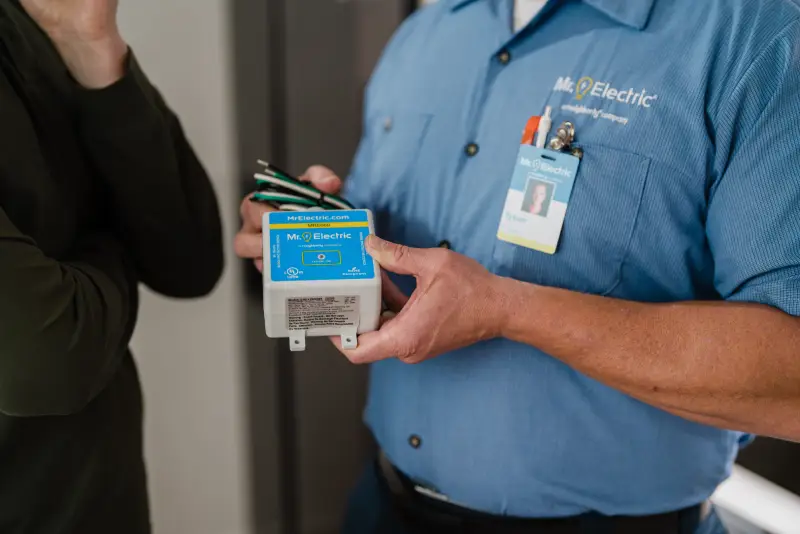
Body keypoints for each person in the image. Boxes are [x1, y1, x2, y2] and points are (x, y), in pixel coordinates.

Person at [236, 0, 800, 533]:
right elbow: (387, 273)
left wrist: (509, 310)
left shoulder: (752, 35)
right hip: (382, 505)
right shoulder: (424, 37)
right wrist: (306, 239)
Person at [0, 1, 223, 532]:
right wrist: (114, 250)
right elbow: (47, 356)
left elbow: (189, 261)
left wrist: (91, 46)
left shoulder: (34, 15)